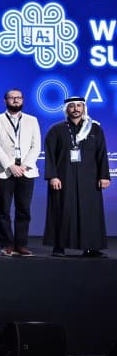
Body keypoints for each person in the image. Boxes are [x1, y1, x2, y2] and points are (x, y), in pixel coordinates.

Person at [43, 96, 111, 257]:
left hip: (90, 179)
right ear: (66, 109)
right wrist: (53, 176)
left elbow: (102, 154)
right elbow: (50, 156)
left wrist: (104, 176)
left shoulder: (94, 129)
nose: (76, 109)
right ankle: (59, 246)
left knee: (90, 213)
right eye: (72, 106)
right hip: (63, 178)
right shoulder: (56, 130)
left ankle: (91, 247)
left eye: (79, 105)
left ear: (84, 108)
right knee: (61, 211)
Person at [0, 89, 41, 257]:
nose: (16, 100)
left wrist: (24, 166)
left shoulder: (32, 120)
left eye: (18, 98)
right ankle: (7, 244)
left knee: (23, 209)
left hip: (27, 171)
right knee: (3, 210)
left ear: (22, 100)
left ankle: (21, 244)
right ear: (5, 101)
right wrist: (10, 165)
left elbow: (36, 146)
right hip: (4, 171)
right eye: (12, 98)